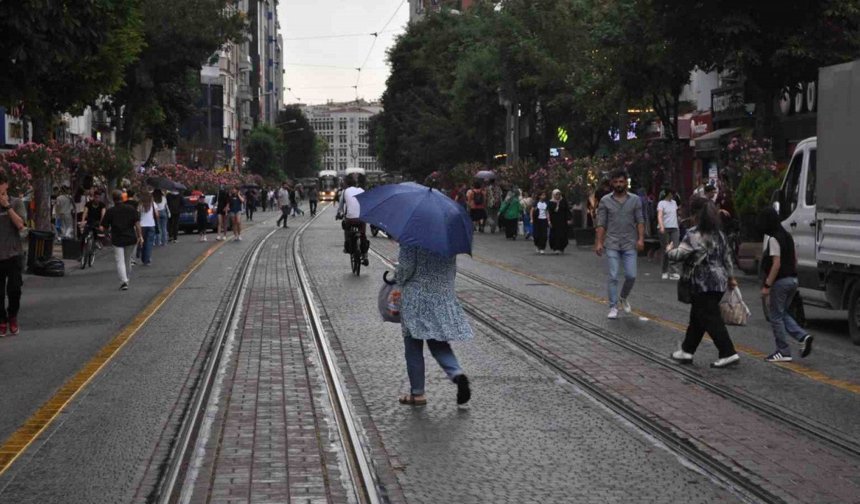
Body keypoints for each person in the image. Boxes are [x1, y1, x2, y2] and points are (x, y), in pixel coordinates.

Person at [395, 243, 472, 406]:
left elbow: (405, 269)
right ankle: (457, 374)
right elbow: (452, 271)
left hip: (416, 298)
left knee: (413, 346)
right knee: (439, 344)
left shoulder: (412, 239)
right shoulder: (446, 238)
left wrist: (397, 279)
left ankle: (417, 393)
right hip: (441, 298)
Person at [667, 197, 740, 368]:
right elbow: (727, 258)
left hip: (701, 282)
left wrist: (669, 251)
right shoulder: (719, 233)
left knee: (710, 318)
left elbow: (680, 255)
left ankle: (728, 352)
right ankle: (687, 350)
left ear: (693, 214)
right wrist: (731, 278)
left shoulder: (693, 234)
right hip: (719, 281)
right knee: (698, 318)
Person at [757, 207, 813, 362]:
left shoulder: (774, 238)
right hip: (793, 280)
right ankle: (803, 336)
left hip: (780, 282)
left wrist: (767, 285)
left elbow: (776, 264)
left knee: (775, 316)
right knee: (781, 313)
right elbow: (794, 259)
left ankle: (783, 351)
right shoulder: (788, 236)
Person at [595, 169, 645, 319]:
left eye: (621, 181)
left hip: (630, 243)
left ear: (626, 182)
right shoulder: (605, 200)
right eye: (615, 182)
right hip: (612, 243)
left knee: (631, 275)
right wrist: (599, 242)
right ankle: (613, 306)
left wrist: (641, 239)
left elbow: (640, 221)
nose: (618, 184)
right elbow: (601, 223)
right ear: (611, 183)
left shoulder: (635, 200)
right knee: (613, 275)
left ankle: (623, 297)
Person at [0, 172, 26, 336]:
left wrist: (6, 206)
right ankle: (2, 320)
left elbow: (20, 225)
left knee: (14, 290)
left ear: (6, 184)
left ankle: (13, 316)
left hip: (14, 254)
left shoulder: (16, 203)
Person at [101, 190, 142, 291]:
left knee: (120, 260)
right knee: (127, 260)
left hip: (117, 238)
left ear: (113, 199)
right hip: (130, 238)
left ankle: (124, 281)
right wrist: (140, 236)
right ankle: (126, 278)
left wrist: (107, 235)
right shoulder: (131, 209)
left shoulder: (110, 211)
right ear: (122, 198)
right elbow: (137, 224)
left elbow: (105, 226)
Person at [339, 176, 369, 265]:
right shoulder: (362, 190)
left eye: (343, 183)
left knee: (347, 230)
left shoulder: (345, 191)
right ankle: (365, 256)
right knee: (363, 234)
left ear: (347, 184)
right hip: (362, 218)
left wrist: (339, 214)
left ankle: (347, 247)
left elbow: (341, 206)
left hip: (350, 219)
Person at [658, 188, 681, 280]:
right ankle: (664, 271)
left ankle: (674, 271)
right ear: (668, 194)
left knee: (675, 249)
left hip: (674, 227)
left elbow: (676, 213)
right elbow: (659, 215)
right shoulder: (661, 203)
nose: (673, 195)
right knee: (666, 250)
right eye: (672, 194)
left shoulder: (674, 203)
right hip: (665, 228)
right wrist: (661, 226)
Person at [548, 189, 571, 254]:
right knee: (555, 235)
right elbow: (549, 212)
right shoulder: (551, 202)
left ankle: (561, 247)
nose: (558, 196)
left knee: (563, 234)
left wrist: (568, 219)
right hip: (554, 221)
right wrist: (549, 221)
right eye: (556, 194)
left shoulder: (563, 201)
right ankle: (556, 248)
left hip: (562, 221)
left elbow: (567, 210)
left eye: (559, 194)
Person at [138, 191, 158, 265]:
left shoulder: (140, 205)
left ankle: (143, 257)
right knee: (149, 243)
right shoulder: (153, 204)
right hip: (151, 225)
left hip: (142, 226)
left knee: (143, 242)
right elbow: (157, 214)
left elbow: (138, 215)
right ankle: (147, 259)